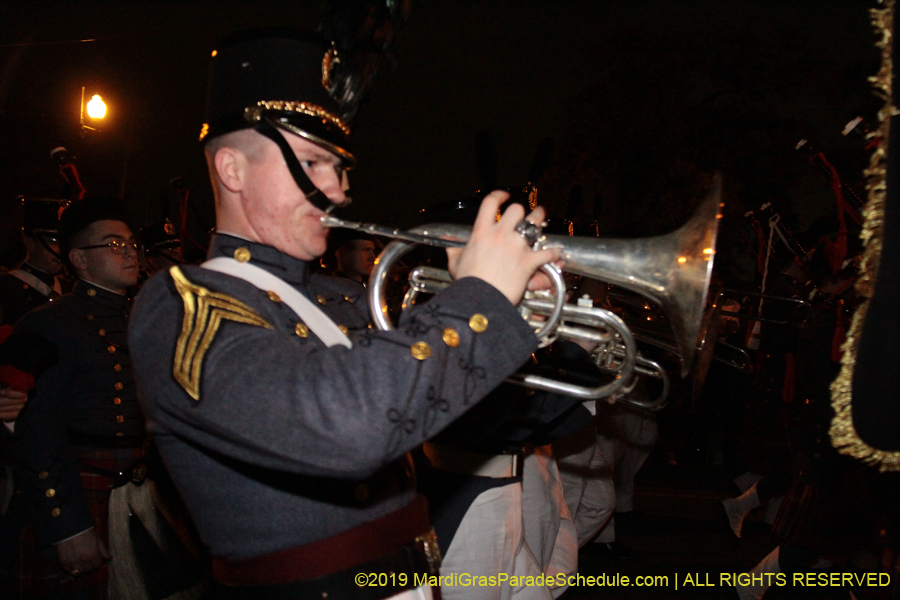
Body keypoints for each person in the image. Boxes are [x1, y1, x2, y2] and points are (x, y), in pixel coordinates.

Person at [128, 29, 558, 599]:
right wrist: (479, 298)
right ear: (233, 170)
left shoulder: (344, 297)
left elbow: (445, 420)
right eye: (313, 162)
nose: (338, 190)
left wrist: (517, 313)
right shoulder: (181, 303)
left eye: (340, 168)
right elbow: (346, 427)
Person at [6, 198, 202, 599]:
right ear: (78, 259)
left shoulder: (145, 317)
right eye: (114, 244)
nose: (129, 252)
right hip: (81, 495)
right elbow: (36, 433)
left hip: (146, 490)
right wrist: (67, 526)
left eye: (131, 243)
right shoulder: (50, 323)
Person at [0, 197, 66, 327]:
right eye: (53, 241)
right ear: (29, 242)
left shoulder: (69, 289)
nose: (60, 250)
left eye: (63, 241)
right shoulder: (4, 288)